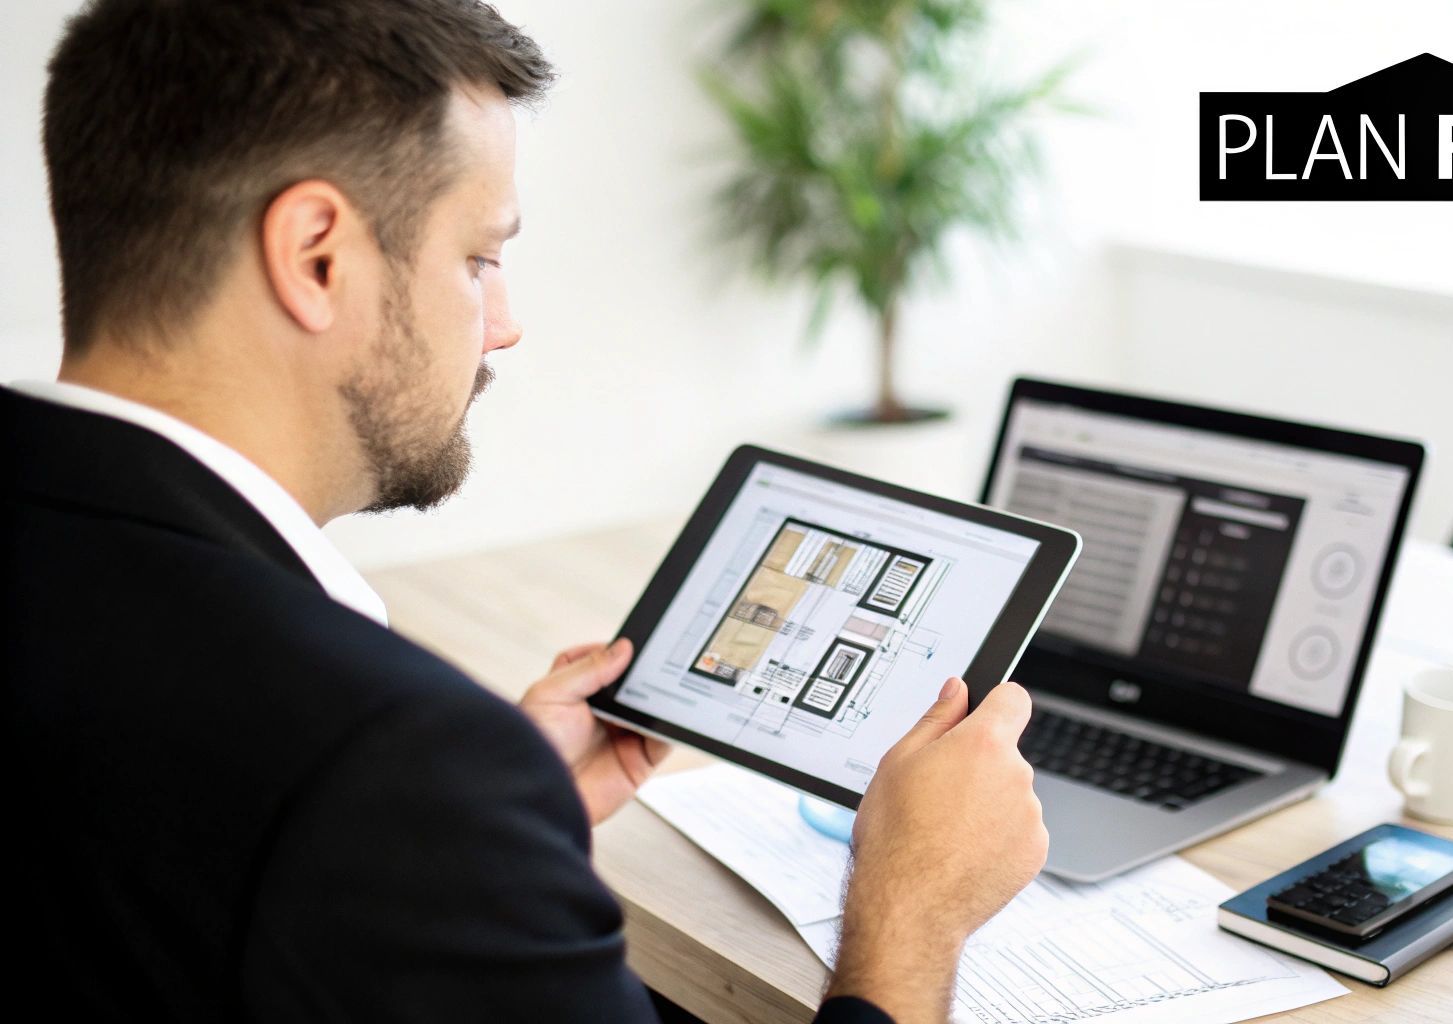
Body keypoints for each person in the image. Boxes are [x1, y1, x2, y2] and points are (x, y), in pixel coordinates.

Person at [1, 2, 1048, 1022]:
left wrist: (477, 844)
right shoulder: (382, 760)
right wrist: (911, 913)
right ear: (316, 254)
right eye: (480, 257)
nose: (503, 325)